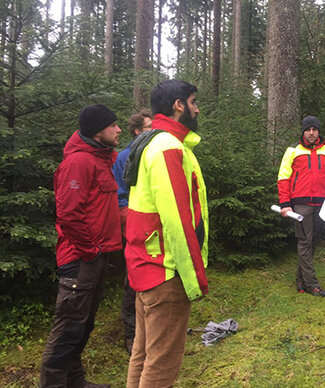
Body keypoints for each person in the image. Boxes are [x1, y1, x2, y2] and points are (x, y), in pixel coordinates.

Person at [124, 80, 209, 387]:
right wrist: (193, 277)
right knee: (161, 366)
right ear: (178, 105)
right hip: (167, 272)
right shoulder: (168, 147)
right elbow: (177, 220)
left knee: (143, 354)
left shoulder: (151, 142)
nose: (196, 109)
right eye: (193, 102)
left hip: (146, 265)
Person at [40, 104, 122, 388]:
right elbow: (69, 215)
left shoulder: (101, 159)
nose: (118, 129)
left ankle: (75, 383)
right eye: (113, 125)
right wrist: (91, 251)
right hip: (80, 258)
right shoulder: (79, 163)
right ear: (99, 130)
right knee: (68, 328)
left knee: (82, 325)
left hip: (96, 256)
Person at [277, 115, 325, 297]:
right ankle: (312, 284)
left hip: (322, 203)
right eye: (308, 130)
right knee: (305, 242)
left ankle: (300, 280)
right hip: (301, 204)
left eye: (314, 129)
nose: (311, 133)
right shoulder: (293, 151)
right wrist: (285, 204)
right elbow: (283, 178)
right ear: (303, 132)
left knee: (311, 243)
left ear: (319, 131)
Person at [111, 109, 153, 355]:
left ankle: (151, 327)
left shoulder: (155, 153)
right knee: (133, 278)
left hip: (153, 227)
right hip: (133, 224)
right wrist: (132, 221)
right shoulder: (124, 157)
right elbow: (119, 196)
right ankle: (131, 334)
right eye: (149, 127)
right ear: (138, 131)